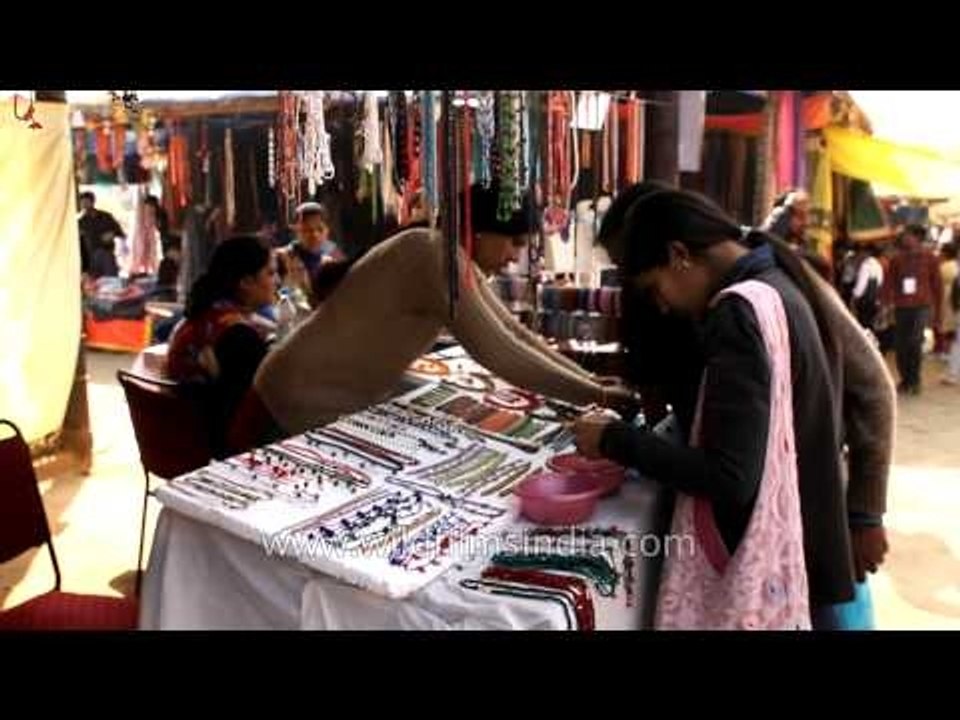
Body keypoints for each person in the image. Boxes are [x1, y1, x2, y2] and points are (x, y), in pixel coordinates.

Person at [598, 183, 894, 630]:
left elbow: (732, 475)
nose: (655, 304)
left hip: (803, 518)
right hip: (792, 520)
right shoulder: (766, 280)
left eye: (649, 283)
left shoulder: (741, 309)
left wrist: (865, 513)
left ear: (678, 254)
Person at [229, 183, 636, 453]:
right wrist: (595, 397)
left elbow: (514, 335)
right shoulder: (434, 256)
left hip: (303, 395)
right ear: (478, 230)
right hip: (285, 403)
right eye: (512, 242)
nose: (514, 256)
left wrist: (592, 384)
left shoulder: (447, 254)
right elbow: (500, 354)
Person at [166, 236, 276, 456]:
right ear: (245, 282)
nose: (277, 281)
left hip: (184, 439)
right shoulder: (238, 335)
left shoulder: (203, 315)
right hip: (222, 447)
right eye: (270, 273)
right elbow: (253, 411)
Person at [887, 224, 942, 395]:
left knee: (914, 342)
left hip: (921, 306)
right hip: (902, 306)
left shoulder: (930, 258)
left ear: (917, 237)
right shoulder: (896, 259)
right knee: (901, 346)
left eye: (908, 235)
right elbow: (890, 283)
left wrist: (937, 311)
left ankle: (915, 381)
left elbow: (937, 285)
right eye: (904, 235)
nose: (904, 238)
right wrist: (887, 303)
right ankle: (905, 380)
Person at [275, 202, 346, 307]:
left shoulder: (330, 262)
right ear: (296, 230)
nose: (314, 235)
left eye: (320, 229)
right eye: (307, 230)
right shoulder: (281, 258)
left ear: (327, 231)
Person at [78, 191, 126, 278]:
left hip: (107, 253)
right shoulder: (81, 222)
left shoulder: (106, 216)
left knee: (111, 281)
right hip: (91, 257)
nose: (84, 205)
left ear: (92, 202)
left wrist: (112, 234)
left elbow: (120, 232)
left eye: (86, 202)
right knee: (95, 284)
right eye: (82, 203)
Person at [850, 243, 884, 332]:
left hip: (864, 302)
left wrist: (853, 299)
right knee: (870, 325)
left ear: (866, 253)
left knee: (862, 326)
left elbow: (860, 286)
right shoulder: (878, 265)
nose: (860, 255)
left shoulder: (866, 265)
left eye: (861, 252)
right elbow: (880, 284)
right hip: (874, 301)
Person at [935, 242, 959, 358]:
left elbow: (936, 280)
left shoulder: (945, 266)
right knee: (950, 325)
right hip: (951, 298)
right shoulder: (954, 264)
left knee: (946, 325)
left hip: (947, 298)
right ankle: (946, 350)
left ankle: (945, 351)